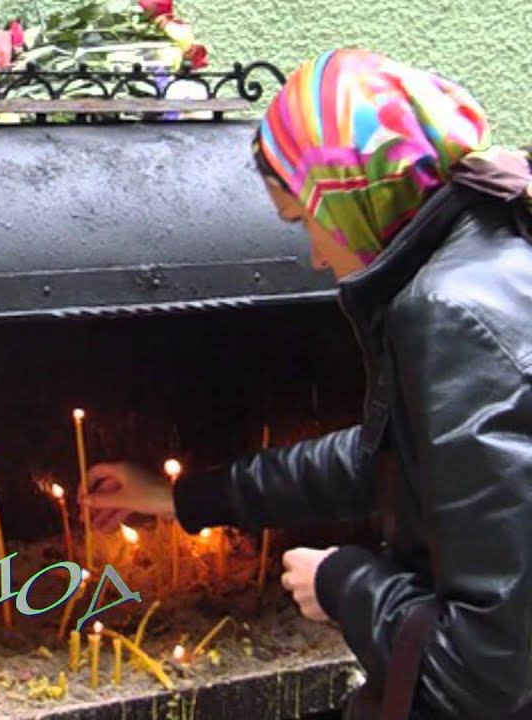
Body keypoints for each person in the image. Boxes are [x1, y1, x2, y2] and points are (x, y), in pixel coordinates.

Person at [83, 49, 532, 719]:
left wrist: (344, 583)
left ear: (347, 196)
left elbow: (482, 676)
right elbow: (391, 458)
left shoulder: (451, 311)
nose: (317, 256)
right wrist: (180, 498)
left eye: (304, 222)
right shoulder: (495, 251)